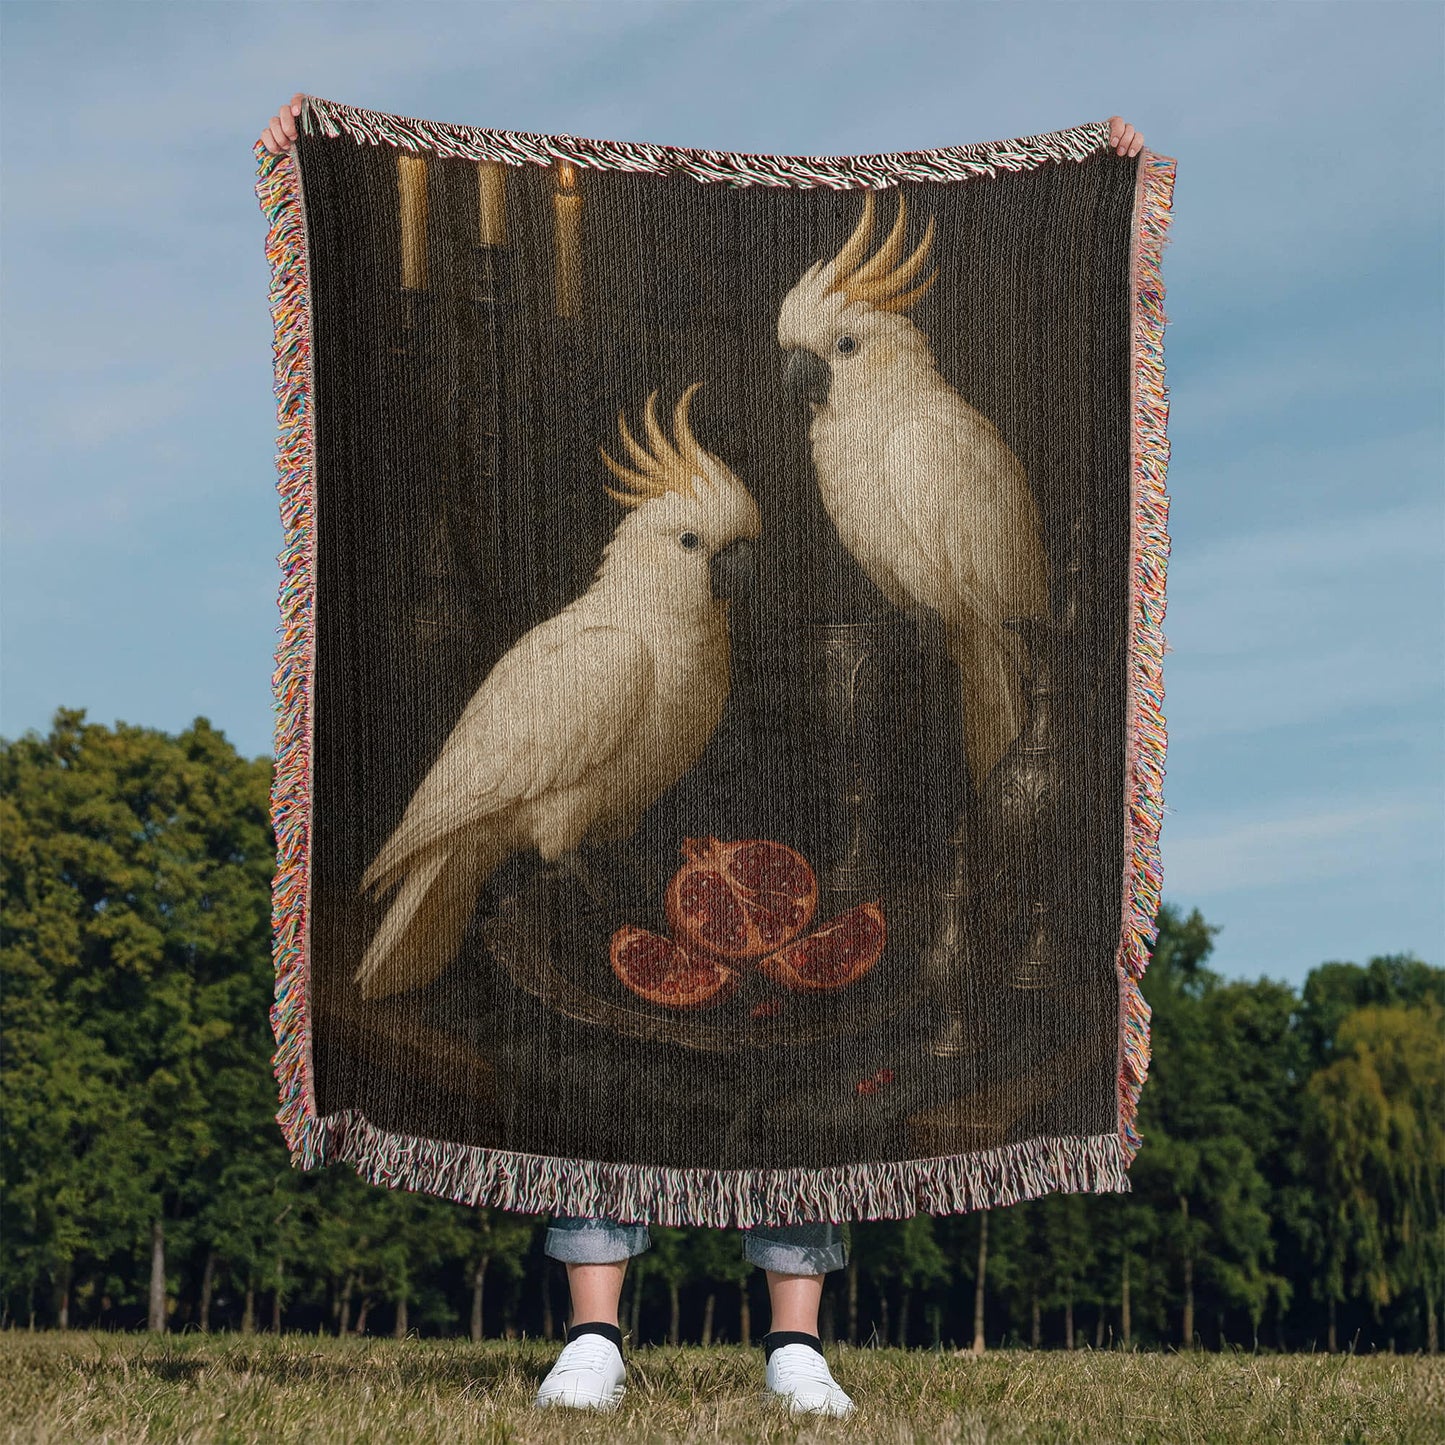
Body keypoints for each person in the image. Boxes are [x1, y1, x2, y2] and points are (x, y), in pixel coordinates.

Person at [257, 96, 1144, 1416]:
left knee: (815, 1063)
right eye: (695, 549)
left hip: (835, 778)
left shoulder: (887, 456)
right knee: (589, 1055)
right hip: (589, 856)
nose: (809, 377)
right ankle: (595, 1331)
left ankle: (794, 1340)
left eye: (837, 346)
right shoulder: (619, 641)